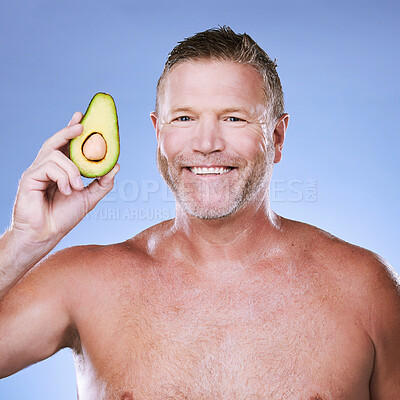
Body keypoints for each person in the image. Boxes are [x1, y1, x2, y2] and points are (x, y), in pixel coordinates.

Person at [0, 26, 399, 400]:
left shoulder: (363, 288)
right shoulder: (82, 283)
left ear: (276, 137)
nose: (207, 143)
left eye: (234, 118)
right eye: (185, 118)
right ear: (159, 134)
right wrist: (24, 239)